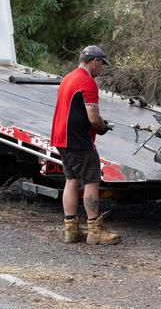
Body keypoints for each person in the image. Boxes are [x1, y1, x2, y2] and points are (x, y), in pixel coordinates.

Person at [50, 45, 121, 245]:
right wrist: (103, 127)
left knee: (71, 180)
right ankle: (94, 230)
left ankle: (71, 230)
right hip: (78, 140)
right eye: (102, 64)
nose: (102, 69)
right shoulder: (87, 82)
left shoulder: (68, 78)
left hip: (61, 138)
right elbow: (93, 117)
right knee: (91, 181)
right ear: (95, 61)